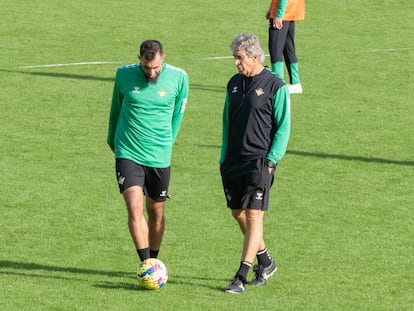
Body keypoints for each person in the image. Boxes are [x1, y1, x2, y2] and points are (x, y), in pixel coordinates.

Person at [107, 40, 189, 264]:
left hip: (159, 155)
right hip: (128, 150)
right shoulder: (123, 75)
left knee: (156, 212)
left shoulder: (180, 77)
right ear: (139, 59)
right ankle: (146, 263)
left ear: (164, 57)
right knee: (134, 208)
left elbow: (178, 115)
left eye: (155, 68)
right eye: (146, 68)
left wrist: (167, 143)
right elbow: (116, 107)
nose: (151, 73)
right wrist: (111, 138)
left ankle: (154, 258)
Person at [220, 33, 291, 293]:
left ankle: (240, 275)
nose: (236, 63)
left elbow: (283, 127)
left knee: (252, 215)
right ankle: (266, 260)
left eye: (240, 58)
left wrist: (271, 160)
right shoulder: (234, 84)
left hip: (259, 161)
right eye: (235, 58)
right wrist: (223, 156)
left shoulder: (275, 86)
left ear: (255, 57)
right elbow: (227, 121)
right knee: (237, 213)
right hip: (233, 161)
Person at [267, 0, 305, 94]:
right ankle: (295, 83)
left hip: (283, 12)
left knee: (275, 48)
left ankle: (278, 85)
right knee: (288, 48)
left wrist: (279, 14)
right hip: (291, 11)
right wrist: (272, 9)